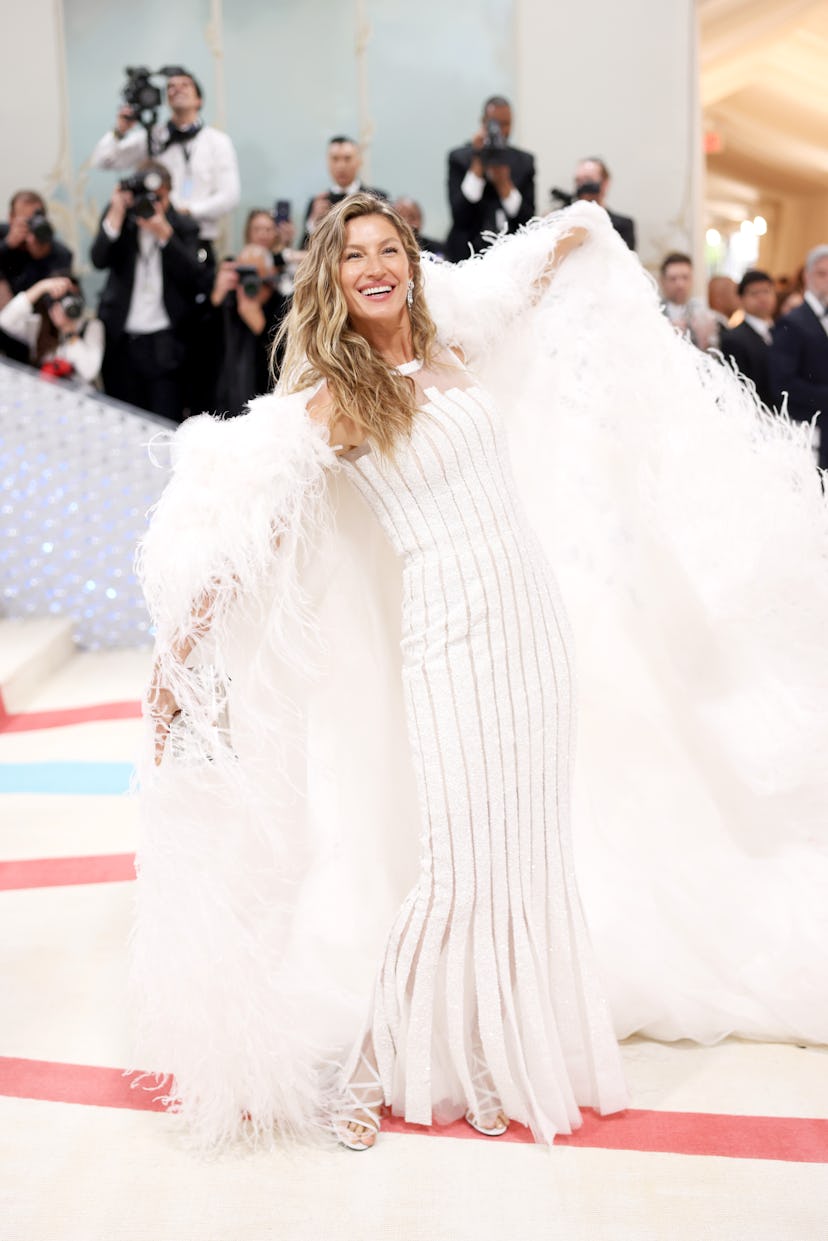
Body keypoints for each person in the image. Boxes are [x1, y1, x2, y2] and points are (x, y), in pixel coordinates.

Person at [135, 197, 828, 1156]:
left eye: (390, 250)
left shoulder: (451, 345)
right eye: (354, 257)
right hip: (448, 635)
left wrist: (574, 230)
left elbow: (518, 287)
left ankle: (497, 1056)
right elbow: (247, 526)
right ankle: (381, 1068)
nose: (376, 266)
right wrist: (181, 652)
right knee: (458, 867)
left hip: (530, 626)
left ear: (412, 265)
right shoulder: (332, 394)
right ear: (330, 280)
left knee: (523, 853)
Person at [90, 161, 210, 420]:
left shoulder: (183, 226)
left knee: (164, 423)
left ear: (169, 192)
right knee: (122, 420)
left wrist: (165, 235)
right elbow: (98, 259)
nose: (152, 204)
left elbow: (196, 277)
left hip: (165, 343)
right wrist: (116, 211)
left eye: (159, 197)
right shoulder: (121, 219)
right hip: (122, 341)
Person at [90, 69, 239, 264]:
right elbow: (103, 161)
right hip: (157, 239)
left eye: (185, 85)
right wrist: (120, 130)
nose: (177, 89)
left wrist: (190, 211)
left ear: (199, 100)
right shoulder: (154, 137)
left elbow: (230, 196)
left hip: (198, 237)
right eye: (170, 87)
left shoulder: (217, 142)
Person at [445, 96, 535, 262]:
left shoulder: (524, 162)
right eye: (495, 123)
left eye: (506, 124)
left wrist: (504, 184)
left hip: (512, 255)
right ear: (483, 122)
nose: (500, 130)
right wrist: (478, 162)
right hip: (466, 254)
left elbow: (528, 220)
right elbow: (460, 215)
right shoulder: (460, 158)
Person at [205, 244, 287, 414]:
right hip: (220, 409)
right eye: (244, 274)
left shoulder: (284, 308)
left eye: (256, 275)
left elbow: (286, 366)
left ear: (271, 277)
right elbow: (196, 347)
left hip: (264, 413)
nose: (250, 283)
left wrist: (261, 327)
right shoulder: (226, 303)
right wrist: (214, 299)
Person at [770, 243, 828, 471]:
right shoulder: (792, 322)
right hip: (811, 431)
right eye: (822, 273)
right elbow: (783, 384)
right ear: (807, 276)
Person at [0, 191, 74, 363]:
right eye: (27, 221)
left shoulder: (57, 252)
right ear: (11, 218)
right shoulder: (2, 236)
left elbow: (54, 295)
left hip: (35, 339)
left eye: (38, 217)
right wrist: (8, 245)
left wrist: (40, 255)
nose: (33, 225)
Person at [0, 273, 104, 385]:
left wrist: (70, 332)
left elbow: (89, 372)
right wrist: (41, 287)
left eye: (72, 296)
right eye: (61, 299)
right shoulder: (39, 326)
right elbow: (5, 321)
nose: (68, 304)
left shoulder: (91, 326)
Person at [302, 136, 388, 246]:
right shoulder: (317, 203)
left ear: (359, 161)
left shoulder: (377, 198)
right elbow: (304, 250)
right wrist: (313, 225)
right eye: (335, 159)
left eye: (347, 158)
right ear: (328, 163)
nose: (341, 166)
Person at [719, 269, 776, 408]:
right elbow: (739, 387)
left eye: (767, 291)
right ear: (741, 299)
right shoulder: (733, 338)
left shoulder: (783, 332)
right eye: (755, 293)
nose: (762, 298)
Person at [572, 157, 636, 251]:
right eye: (578, 181)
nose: (582, 186)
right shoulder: (563, 219)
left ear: (605, 183)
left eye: (588, 180)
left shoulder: (623, 225)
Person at [659, 251, 718, 350]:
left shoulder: (703, 313)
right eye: (673, 279)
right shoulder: (654, 312)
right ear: (662, 281)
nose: (680, 285)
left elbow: (714, 356)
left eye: (685, 278)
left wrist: (703, 342)